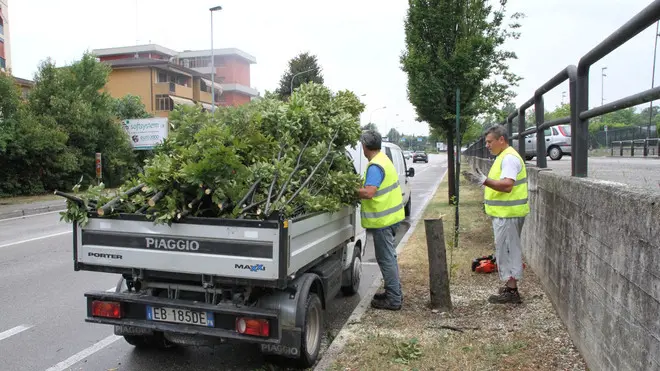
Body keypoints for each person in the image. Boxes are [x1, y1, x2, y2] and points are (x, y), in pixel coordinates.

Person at [462, 124, 530, 304]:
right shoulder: (504, 157)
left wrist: (484, 181)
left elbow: (507, 185)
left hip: (507, 214)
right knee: (506, 250)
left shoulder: (508, 159)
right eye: (486, 142)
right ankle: (510, 286)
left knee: (507, 251)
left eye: (490, 142)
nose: (487, 145)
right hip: (505, 213)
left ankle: (512, 291)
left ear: (502, 140)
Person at [357, 131, 406, 311]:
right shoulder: (384, 160)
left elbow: (369, 192)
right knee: (388, 258)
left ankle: (394, 299)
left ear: (364, 146)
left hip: (383, 221)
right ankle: (394, 292)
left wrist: (351, 189)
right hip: (391, 218)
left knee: (386, 259)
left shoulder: (375, 166)